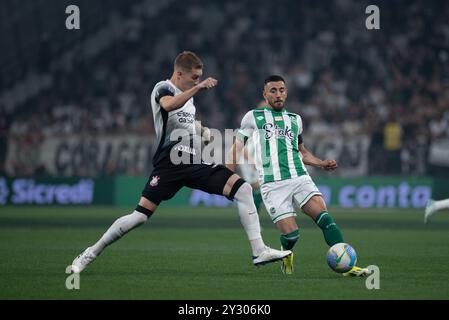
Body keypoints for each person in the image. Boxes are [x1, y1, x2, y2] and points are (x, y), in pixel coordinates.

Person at [71, 52, 291, 273]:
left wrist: (203, 131)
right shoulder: (163, 88)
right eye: (194, 77)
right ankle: (90, 253)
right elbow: (168, 106)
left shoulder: (188, 97)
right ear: (179, 73)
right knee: (139, 217)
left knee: (242, 190)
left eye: (199, 78)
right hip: (169, 165)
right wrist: (198, 88)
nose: (196, 81)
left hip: (193, 162)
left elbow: (187, 122)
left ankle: (259, 251)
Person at [227, 75, 369, 276]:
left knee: (325, 219)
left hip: (300, 178)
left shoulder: (295, 120)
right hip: (272, 184)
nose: (278, 94)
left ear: (286, 92)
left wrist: (320, 163)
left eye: (282, 90)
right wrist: (226, 173)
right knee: (292, 235)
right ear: (265, 94)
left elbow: (301, 151)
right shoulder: (253, 117)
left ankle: (347, 266)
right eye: (273, 90)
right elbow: (238, 146)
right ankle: (287, 255)